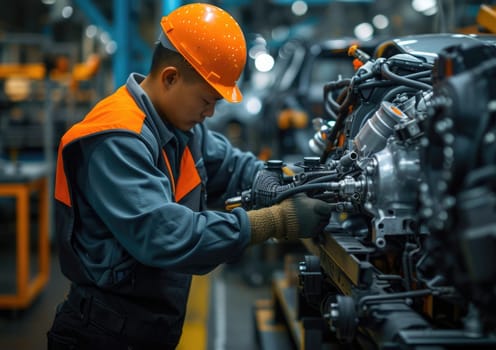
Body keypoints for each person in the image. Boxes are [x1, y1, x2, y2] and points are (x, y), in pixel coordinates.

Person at [47, 3, 331, 349]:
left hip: (149, 330)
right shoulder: (116, 137)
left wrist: (290, 181)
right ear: (170, 78)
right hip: (102, 334)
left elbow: (232, 165)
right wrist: (273, 221)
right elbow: (166, 235)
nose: (210, 112)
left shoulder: (181, 127)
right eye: (207, 99)